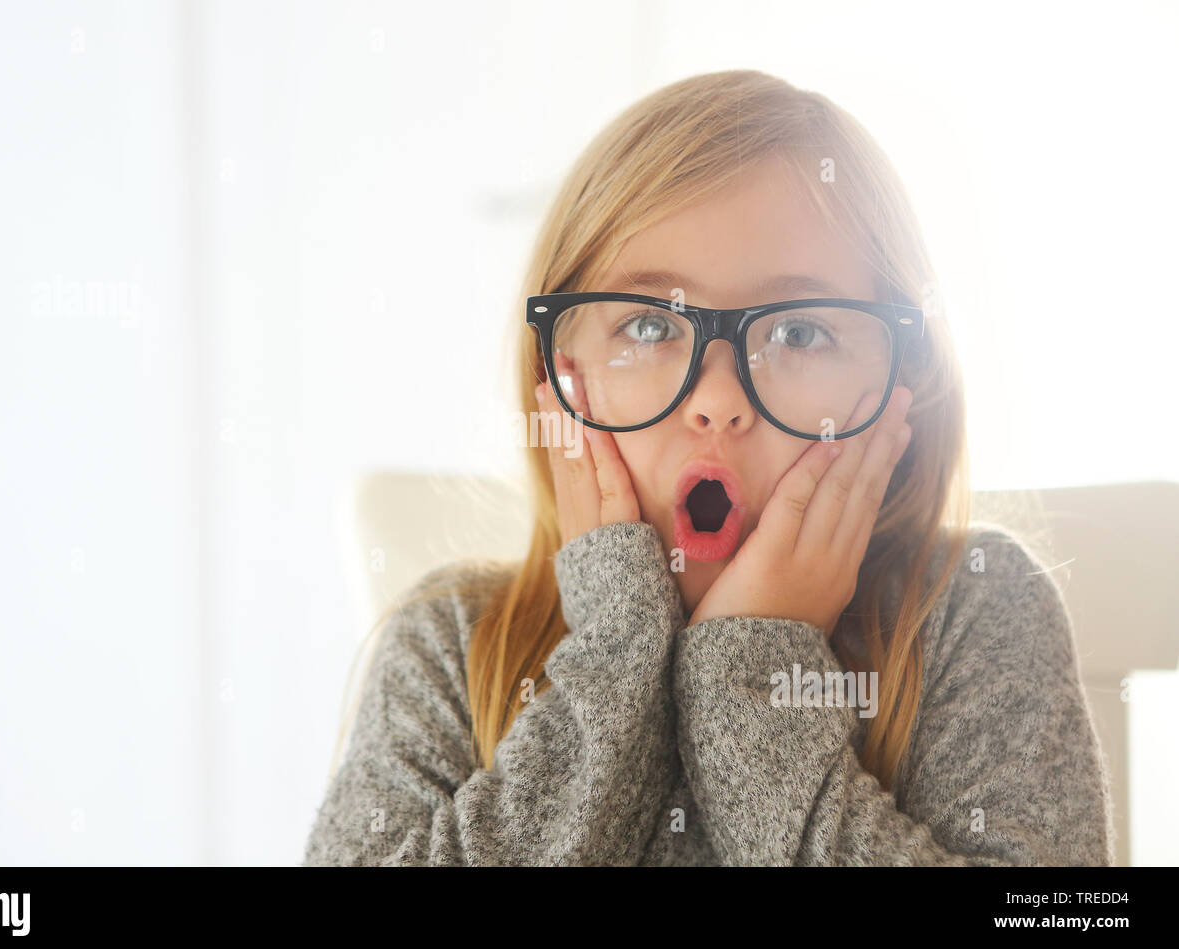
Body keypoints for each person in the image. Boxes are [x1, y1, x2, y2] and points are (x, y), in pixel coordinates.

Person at [303, 69, 1113, 866]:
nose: (719, 399)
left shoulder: (975, 613)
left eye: (798, 334)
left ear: (903, 378)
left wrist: (753, 676)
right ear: (558, 376)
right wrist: (618, 656)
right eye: (650, 329)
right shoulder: (450, 645)